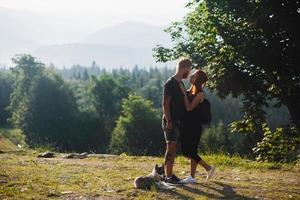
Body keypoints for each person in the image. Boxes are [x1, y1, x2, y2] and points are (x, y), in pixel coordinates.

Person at [179, 69, 215, 184]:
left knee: (188, 152)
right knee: (192, 151)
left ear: (198, 80)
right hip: (187, 125)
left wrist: (184, 94)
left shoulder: (200, 94)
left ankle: (208, 168)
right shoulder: (190, 91)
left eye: (194, 75)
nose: (191, 75)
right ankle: (192, 177)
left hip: (194, 127)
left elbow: (189, 108)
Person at [162, 58, 192, 184]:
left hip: (177, 122)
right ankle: (168, 177)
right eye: (189, 70)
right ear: (184, 68)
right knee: (170, 148)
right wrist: (169, 121)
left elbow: (183, 97)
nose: (189, 74)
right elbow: (165, 103)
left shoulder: (180, 84)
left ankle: (168, 175)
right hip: (171, 121)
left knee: (173, 149)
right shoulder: (170, 83)